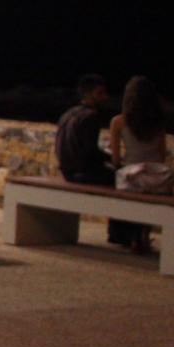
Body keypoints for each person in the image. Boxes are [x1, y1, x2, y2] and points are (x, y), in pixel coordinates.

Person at [55, 73, 136, 246]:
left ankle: (119, 233)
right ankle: (120, 233)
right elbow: (89, 153)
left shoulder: (69, 113)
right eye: (100, 93)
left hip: (67, 170)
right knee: (122, 180)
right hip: (80, 173)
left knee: (116, 176)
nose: (105, 97)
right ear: (90, 94)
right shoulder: (91, 117)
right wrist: (113, 160)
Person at [109, 75, 173, 252]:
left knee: (127, 185)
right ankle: (144, 233)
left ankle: (133, 236)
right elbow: (161, 154)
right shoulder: (159, 121)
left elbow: (115, 159)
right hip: (156, 178)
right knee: (153, 190)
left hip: (130, 177)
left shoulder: (118, 122)